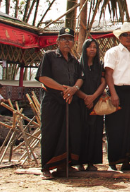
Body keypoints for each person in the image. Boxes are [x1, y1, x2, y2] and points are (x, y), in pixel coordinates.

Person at [36, 27, 83, 179]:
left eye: (70, 39)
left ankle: (64, 165)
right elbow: (43, 77)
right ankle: (46, 168)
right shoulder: (49, 56)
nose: (67, 41)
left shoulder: (75, 61)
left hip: (69, 101)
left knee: (67, 133)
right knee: (50, 133)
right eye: (63, 38)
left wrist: (74, 89)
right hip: (52, 101)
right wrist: (64, 89)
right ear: (57, 41)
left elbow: (81, 78)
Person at [105, 22, 130, 171]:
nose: (128, 37)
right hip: (117, 92)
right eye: (125, 34)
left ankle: (126, 161)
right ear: (119, 37)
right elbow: (108, 74)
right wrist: (113, 94)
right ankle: (113, 162)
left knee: (129, 128)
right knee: (114, 128)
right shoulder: (112, 52)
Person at [76, 38, 105, 172]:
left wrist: (93, 97)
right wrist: (85, 98)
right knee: (80, 131)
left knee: (95, 131)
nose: (92, 49)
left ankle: (91, 162)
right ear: (84, 49)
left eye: (95, 47)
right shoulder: (77, 65)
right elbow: (74, 84)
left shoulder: (99, 65)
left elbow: (103, 83)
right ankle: (79, 161)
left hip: (96, 102)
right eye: (89, 47)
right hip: (80, 103)